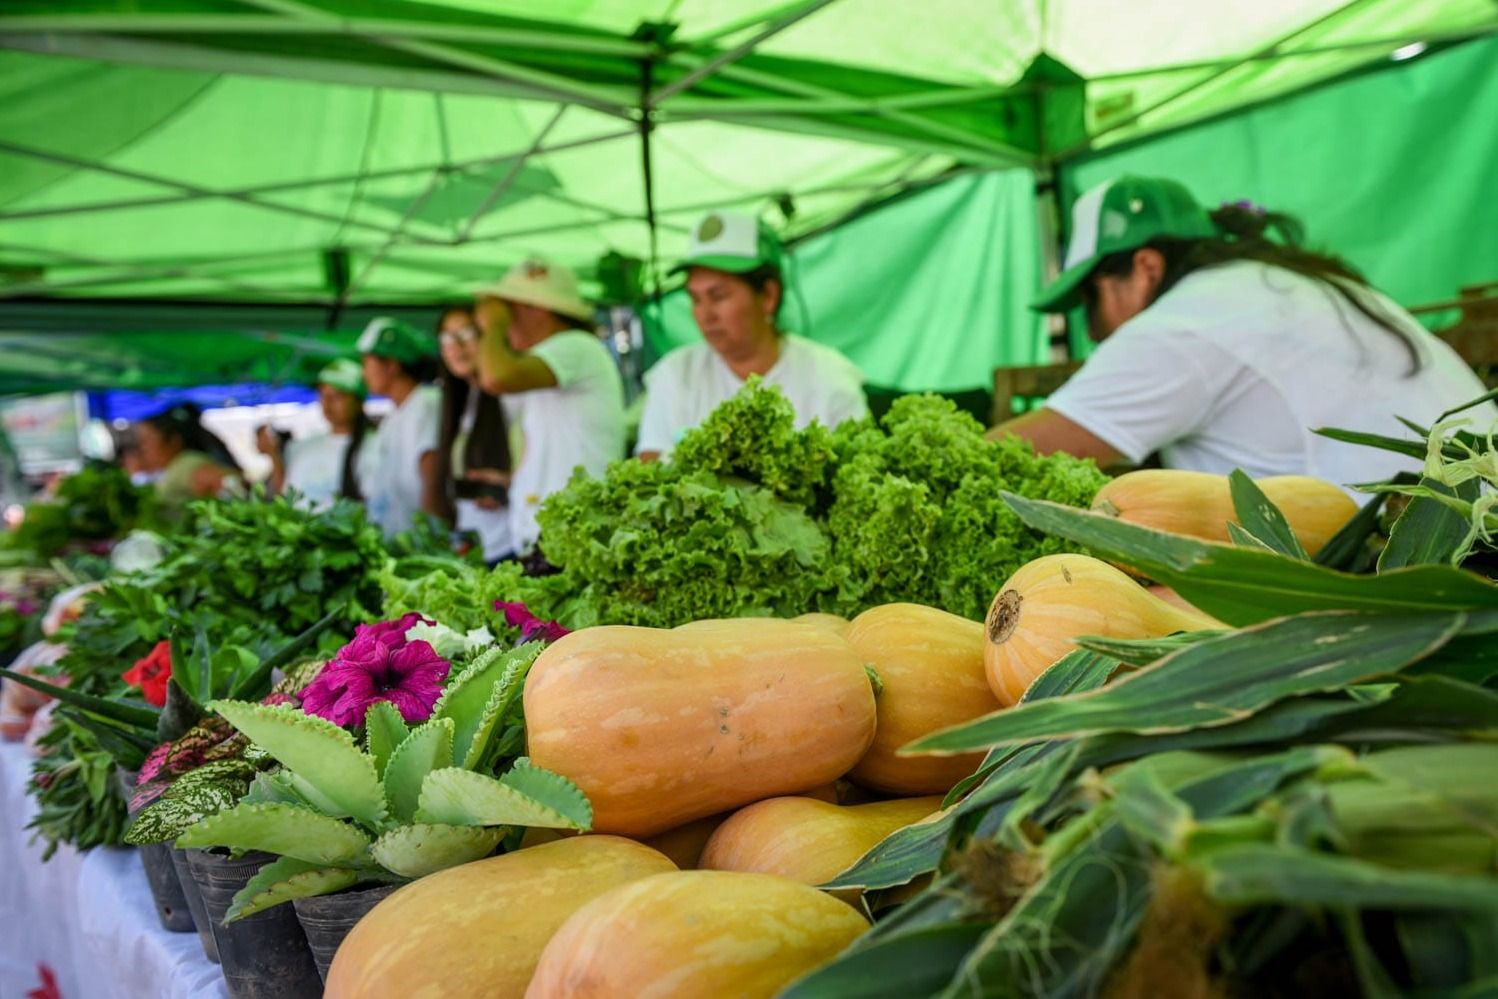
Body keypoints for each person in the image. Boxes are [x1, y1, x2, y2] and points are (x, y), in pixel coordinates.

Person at [993, 175, 1496, 485]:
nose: (1094, 330)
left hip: (1410, 569)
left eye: (1091, 299)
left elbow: (1007, 456)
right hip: (1470, 529)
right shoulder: (1277, 283)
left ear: (1146, 267)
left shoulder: (1181, 325)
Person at [635, 212, 868, 461]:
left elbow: (859, 462)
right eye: (695, 299)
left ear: (768, 296)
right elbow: (650, 463)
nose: (704, 315)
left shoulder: (831, 377)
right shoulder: (676, 375)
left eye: (718, 296)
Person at [474, 258, 624, 556]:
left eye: (509, 310)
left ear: (537, 308)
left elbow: (495, 377)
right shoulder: (546, 363)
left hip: (572, 539)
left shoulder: (576, 345)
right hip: (549, 539)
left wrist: (493, 324)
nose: (508, 323)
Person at [434, 305, 514, 564]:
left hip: (509, 546)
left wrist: (507, 483)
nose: (457, 346)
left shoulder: (510, 396)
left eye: (466, 334)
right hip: (476, 548)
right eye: (447, 338)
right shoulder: (464, 401)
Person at [356, 317, 443, 537]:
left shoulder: (427, 404)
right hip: (397, 540)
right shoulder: (393, 417)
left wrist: (431, 537)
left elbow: (431, 470)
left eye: (367, 363)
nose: (363, 373)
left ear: (392, 365)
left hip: (420, 541)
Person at [257, 358, 372, 510]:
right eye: (323, 394)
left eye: (338, 395)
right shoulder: (302, 447)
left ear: (358, 401)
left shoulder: (376, 448)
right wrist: (273, 455)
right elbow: (285, 494)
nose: (328, 402)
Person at [134, 403, 240, 515]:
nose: (142, 449)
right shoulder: (176, 465)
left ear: (173, 440)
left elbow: (228, 483)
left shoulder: (186, 464)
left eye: (146, 441)